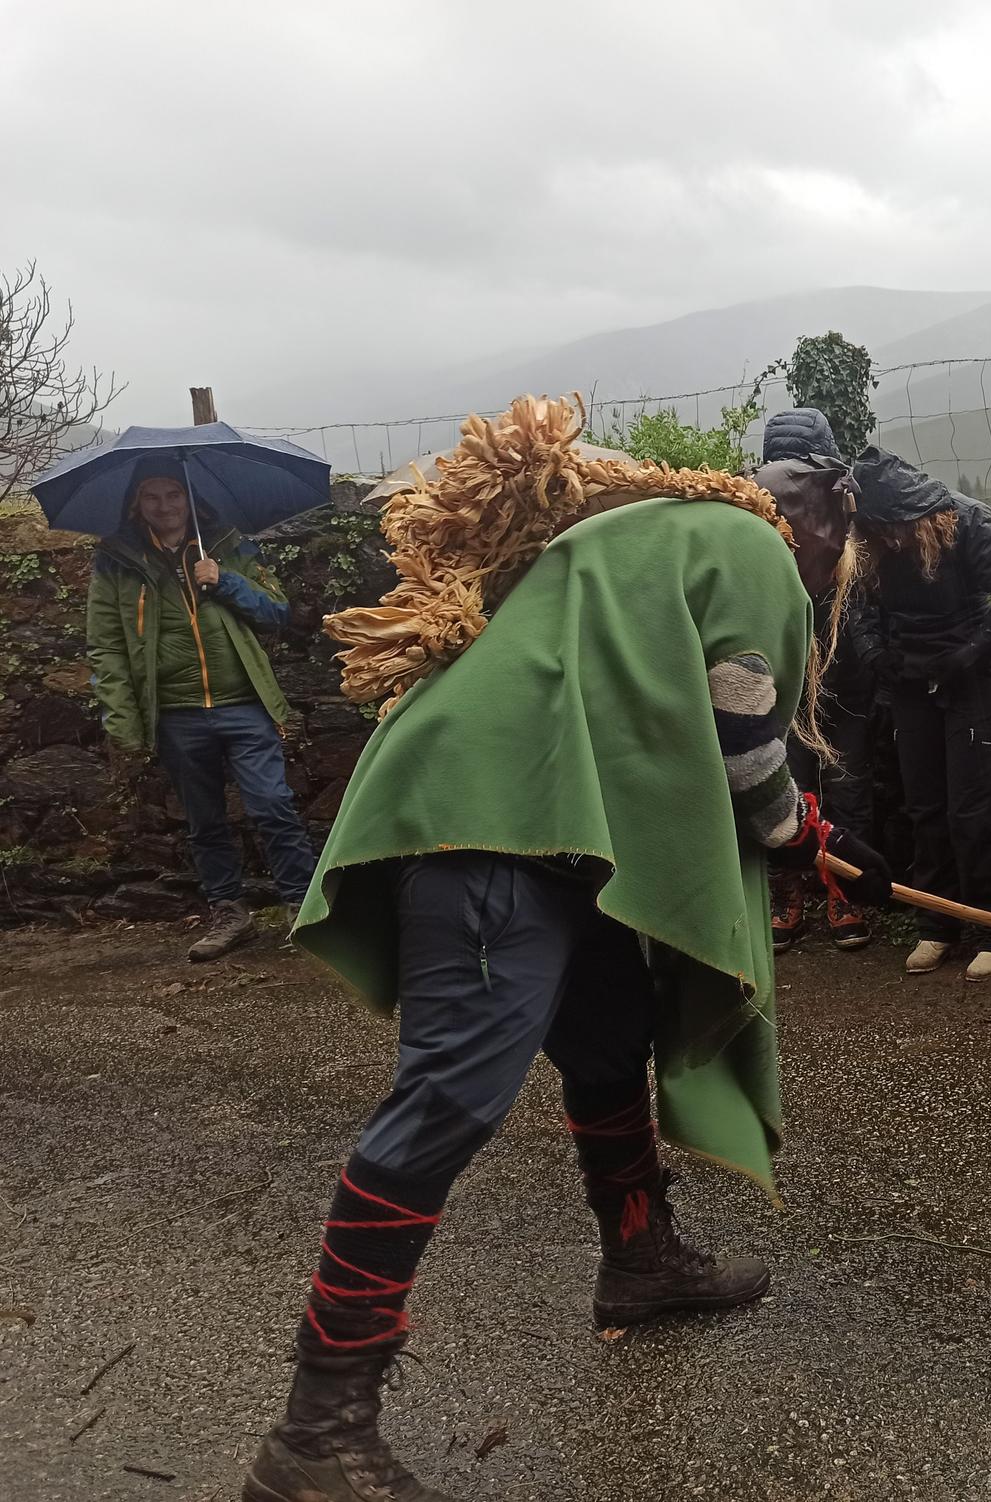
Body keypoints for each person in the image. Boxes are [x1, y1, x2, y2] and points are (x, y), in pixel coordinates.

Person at [241, 400, 892, 1502]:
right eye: (841, 556)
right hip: (495, 815)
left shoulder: (649, 525)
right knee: (449, 1093)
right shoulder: (755, 552)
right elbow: (742, 738)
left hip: (551, 818)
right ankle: (319, 1424)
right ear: (825, 521)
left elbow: (639, 705)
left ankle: (638, 1257)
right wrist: (806, 836)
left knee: (606, 1035)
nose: (834, 577)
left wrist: (799, 832)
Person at [84, 459, 317, 961]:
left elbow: (278, 612)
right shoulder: (117, 560)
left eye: (173, 494)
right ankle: (229, 912)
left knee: (272, 806)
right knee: (205, 821)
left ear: (189, 497)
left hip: (245, 705)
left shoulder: (229, 545)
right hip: (176, 713)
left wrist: (226, 580)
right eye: (152, 496)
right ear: (136, 502)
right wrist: (122, 719)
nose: (164, 506)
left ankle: (304, 908)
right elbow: (104, 645)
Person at [850, 447, 991, 981]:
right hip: (907, 680)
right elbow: (857, 603)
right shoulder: (869, 540)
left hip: (971, 680)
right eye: (874, 530)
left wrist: (967, 655)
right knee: (924, 806)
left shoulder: (969, 521)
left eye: (891, 528)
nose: (885, 540)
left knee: (971, 811)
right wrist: (877, 657)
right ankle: (937, 926)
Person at [759, 409, 880, 953]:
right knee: (791, 793)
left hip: (842, 682)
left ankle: (844, 891)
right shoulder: (757, 522)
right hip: (787, 686)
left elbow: (869, 607)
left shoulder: (850, 513)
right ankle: (792, 894)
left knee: (847, 790)